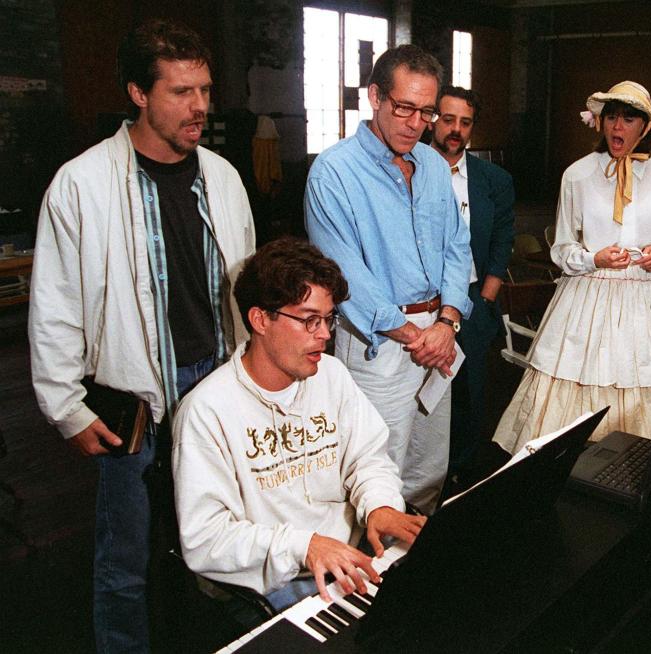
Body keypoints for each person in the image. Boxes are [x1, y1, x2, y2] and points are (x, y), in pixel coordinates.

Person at [28, 19, 254, 653]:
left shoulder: (223, 177)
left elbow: (247, 282)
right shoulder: (81, 183)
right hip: (130, 388)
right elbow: (54, 305)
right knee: (125, 552)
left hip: (217, 379)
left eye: (205, 89)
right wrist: (65, 407)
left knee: (218, 534)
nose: (200, 107)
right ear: (137, 92)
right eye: (181, 92)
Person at [172, 238, 424, 610]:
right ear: (260, 319)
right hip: (280, 583)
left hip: (352, 557)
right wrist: (304, 547)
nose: (324, 334)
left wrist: (380, 505)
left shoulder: (332, 375)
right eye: (309, 320)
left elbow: (368, 458)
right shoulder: (206, 411)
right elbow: (205, 539)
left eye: (328, 319)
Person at [492, 81, 651, 458]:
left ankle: (639, 467)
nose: (617, 126)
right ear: (599, 122)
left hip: (646, 293)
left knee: (647, 377)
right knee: (578, 383)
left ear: (645, 126)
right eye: (611, 117)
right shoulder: (577, 175)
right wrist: (593, 259)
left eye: (628, 118)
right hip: (589, 294)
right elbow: (562, 248)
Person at [305, 45, 472, 514]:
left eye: (426, 112)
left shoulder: (435, 167)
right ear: (374, 96)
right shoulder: (334, 172)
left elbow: (457, 249)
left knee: (428, 471)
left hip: (438, 337)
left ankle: (412, 574)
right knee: (375, 473)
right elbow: (343, 276)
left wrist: (447, 323)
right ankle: (371, 578)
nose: (415, 124)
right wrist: (416, 334)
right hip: (379, 343)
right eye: (404, 108)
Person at [427, 86, 515, 481]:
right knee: (425, 392)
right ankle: (423, 474)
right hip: (423, 305)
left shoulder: (493, 180)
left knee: (469, 392)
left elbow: (502, 239)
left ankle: (461, 472)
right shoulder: (409, 168)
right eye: (448, 119)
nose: (455, 130)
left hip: (473, 301)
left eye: (465, 122)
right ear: (433, 119)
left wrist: (485, 298)